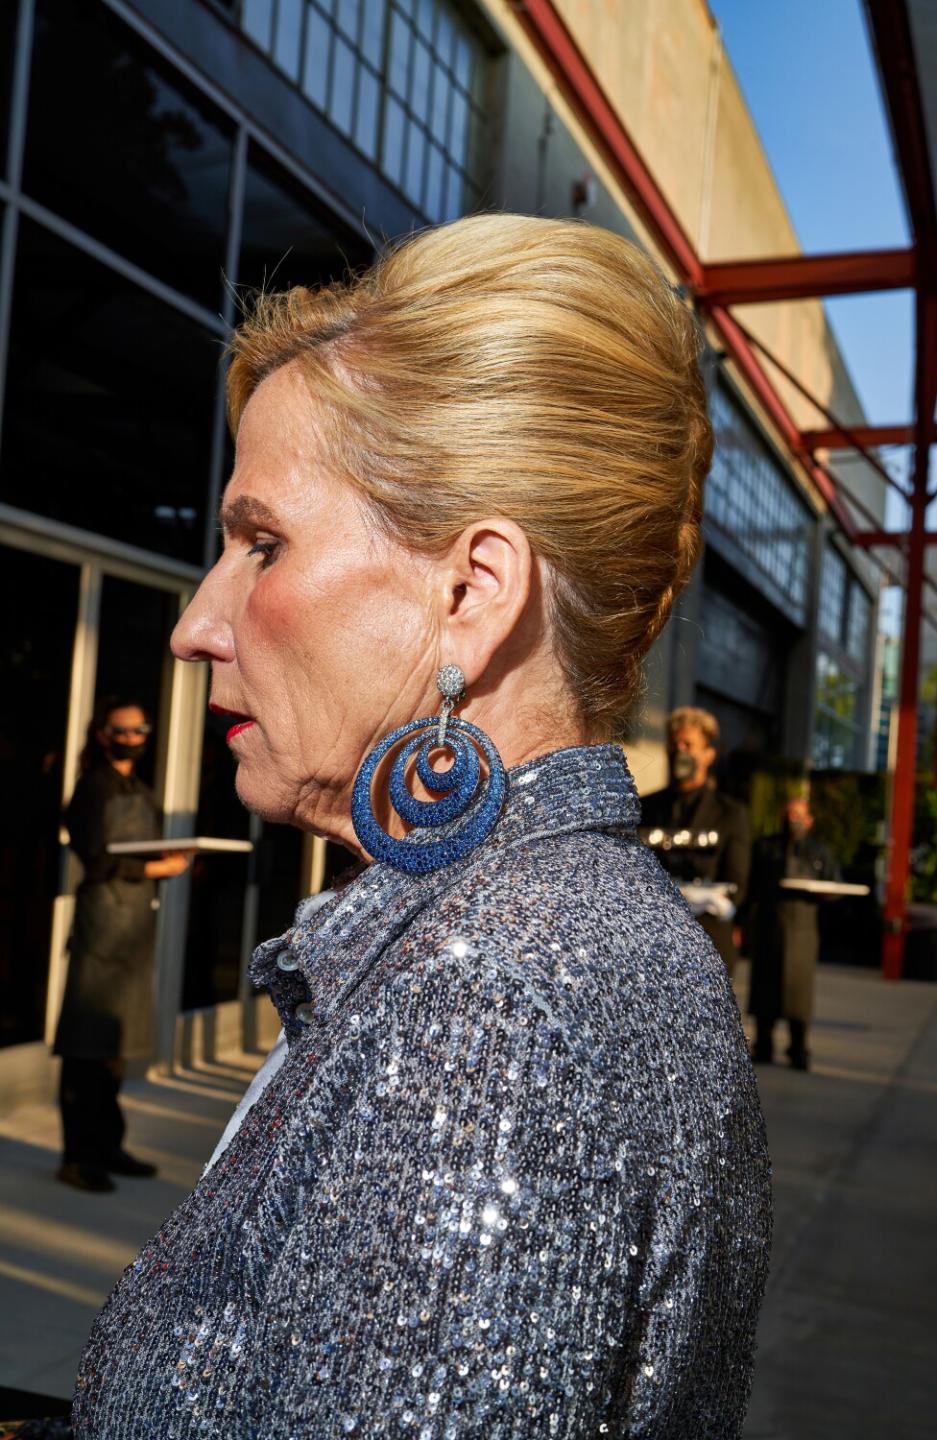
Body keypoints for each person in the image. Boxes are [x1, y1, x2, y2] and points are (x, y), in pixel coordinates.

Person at [62, 215, 770, 1439]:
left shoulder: (497, 1004)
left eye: (261, 544)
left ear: (471, 593)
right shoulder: (544, 936)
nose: (195, 623)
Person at [53, 696, 191, 1192]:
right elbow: (96, 857)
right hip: (101, 926)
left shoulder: (140, 789)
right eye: (122, 730)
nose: (132, 739)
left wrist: (165, 861)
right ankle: (76, 1157)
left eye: (140, 731)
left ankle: (107, 1147)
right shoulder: (92, 788)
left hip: (132, 927)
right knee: (86, 1044)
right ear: (102, 734)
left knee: (114, 1048)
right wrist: (159, 867)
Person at [640, 707, 752, 978]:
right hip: (652, 945)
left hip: (709, 946)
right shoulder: (644, 808)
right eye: (675, 744)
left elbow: (736, 886)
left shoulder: (730, 814)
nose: (680, 751)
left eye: (689, 745)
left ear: (708, 754)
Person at [742, 794, 839, 1070]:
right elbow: (750, 888)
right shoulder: (764, 847)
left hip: (803, 932)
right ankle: (764, 1045)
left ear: (809, 820)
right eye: (789, 815)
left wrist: (820, 893)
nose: (793, 821)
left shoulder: (819, 852)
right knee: (764, 989)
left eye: (799, 815)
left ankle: (798, 1049)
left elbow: (835, 887)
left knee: (799, 993)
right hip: (769, 928)